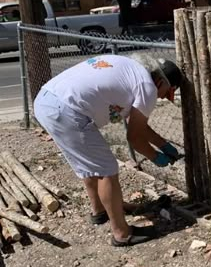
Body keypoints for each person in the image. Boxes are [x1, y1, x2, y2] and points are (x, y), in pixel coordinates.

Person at [34, 52, 183, 247]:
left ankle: (100, 211)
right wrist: (157, 157)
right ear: (161, 82)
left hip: (47, 101)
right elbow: (134, 138)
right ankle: (122, 233)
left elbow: (138, 125)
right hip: (67, 111)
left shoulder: (131, 70)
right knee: (107, 171)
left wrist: (163, 144)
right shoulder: (147, 87)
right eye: (168, 92)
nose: (164, 98)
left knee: (89, 164)